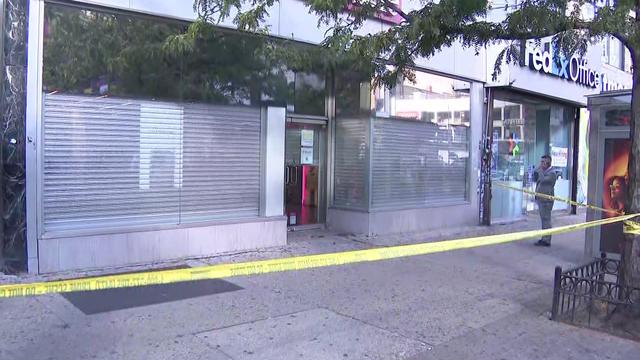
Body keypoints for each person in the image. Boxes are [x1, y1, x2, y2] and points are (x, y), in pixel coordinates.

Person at [533, 155, 557, 247]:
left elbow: (543, 180)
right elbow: (536, 179)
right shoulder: (543, 171)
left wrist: (540, 171)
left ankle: (546, 240)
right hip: (541, 199)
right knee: (543, 219)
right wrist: (536, 170)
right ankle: (544, 238)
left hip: (546, 200)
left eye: (543, 162)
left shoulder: (552, 173)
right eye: (541, 162)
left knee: (546, 219)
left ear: (548, 163)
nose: (541, 164)